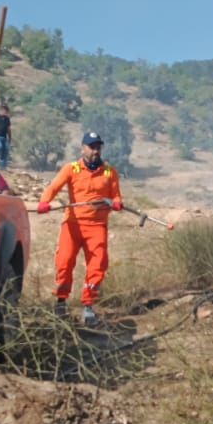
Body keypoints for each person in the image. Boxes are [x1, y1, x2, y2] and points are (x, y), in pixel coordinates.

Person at [36, 132, 122, 326]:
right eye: (91, 147)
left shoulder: (109, 172)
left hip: (97, 227)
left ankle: (88, 305)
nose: (95, 151)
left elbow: (116, 197)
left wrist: (116, 203)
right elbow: (53, 187)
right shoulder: (71, 169)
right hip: (72, 226)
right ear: (82, 148)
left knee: (97, 265)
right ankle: (60, 302)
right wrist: (44, 202)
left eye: (98, 147)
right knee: (64, 263)